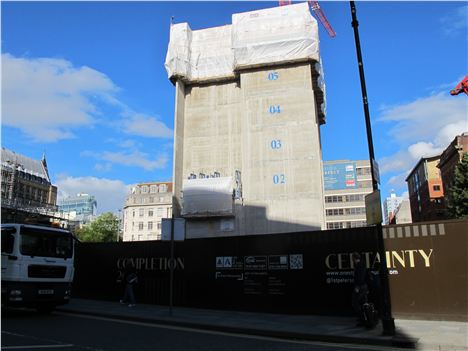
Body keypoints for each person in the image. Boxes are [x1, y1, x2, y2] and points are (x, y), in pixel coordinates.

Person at [352, 252, 368, 326]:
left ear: (354, 258)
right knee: (363, 303)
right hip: (364, 286)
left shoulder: (359, 266)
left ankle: (362, 319)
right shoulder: (362, 264)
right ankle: (366, 318)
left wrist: (357, 287)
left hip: (360, 286)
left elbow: (359, 277)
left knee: (355, 303)